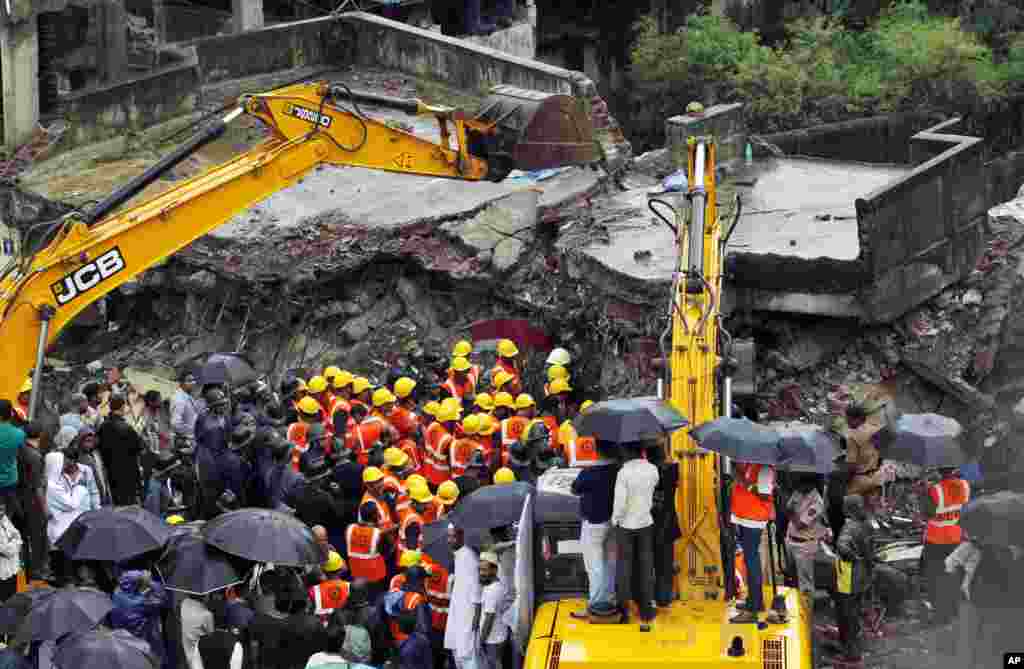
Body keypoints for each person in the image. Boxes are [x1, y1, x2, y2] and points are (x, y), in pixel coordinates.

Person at [611, 443, 658, 631]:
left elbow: (620, 502)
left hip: (626, 526)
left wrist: (616, 519)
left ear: (627, 452)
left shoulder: (624, 473)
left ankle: (624, 610)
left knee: (624, 567)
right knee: (646, 565)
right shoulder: (652, 470)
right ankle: (646, 609)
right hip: (646, 523)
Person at [570, 441, 618, 617]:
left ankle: (597, 604)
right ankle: (610, 600)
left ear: (597, 452)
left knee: (594, 564)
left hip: (594, 524)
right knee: (610, 562)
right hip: (613, 522)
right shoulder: (617, 470)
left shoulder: (590, 472)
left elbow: (574, 489)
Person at [920, 466, 970, 626]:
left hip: (936, 541)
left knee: (935, 579)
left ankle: (941, 615)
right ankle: (954, 610)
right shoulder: (965, 485)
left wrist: (924, 492)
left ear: (939, 472)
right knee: (954, 576)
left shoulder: (935, 490)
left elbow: (926, 514)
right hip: (957, 538)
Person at [728, 459, 776, 624]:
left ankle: (753, 609)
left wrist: (745, 482)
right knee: (750, 561)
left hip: (753, 519)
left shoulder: (764, 467)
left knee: (751, 560)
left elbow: (764, 493)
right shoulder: (752, 464)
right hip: (745, 517)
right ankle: (754, 601)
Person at [831, 494, 873, 665]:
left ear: (849, 509)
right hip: (863, 576)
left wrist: (850, 556)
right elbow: (870, 552)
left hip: (849, 578)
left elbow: (842, 545)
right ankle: (852, 643)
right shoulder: (867, 524)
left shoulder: (849, 527)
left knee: (846, 615)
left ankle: (851, 654)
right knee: (854, 613)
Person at [45, 446, 91, 586]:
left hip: (59, 529)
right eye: (62, 462)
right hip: (61, 531)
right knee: (65, 568)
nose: (65, 465)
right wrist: (80, 487)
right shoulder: (52, 486)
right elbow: (71, 503)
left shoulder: (51, 483)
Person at [785, 473, 831, 603]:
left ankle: (807, 610)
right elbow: (787, 509)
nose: (798, 487)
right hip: (790, 540)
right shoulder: (799, 492)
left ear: (810, 485)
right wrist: (791, 512)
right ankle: (795, 606)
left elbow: (800, 524)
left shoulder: (817, 502)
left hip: (805, 546)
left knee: (805, 584)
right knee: (792, 578)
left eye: (801, 484)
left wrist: (791, 513)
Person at [445, 524, 482, 669]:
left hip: (467, 621)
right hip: (458, 618)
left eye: (452, 536)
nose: (449, 540)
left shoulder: (469, 558)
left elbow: (477, 597)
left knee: (470, 660)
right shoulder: (459, 556)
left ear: (461, 536)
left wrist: (474, 628)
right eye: (448, 536)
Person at [98, 395, 145, 506]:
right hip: (128, 474)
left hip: (110, 474)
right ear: (123, 407)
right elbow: (139, 448)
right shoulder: (127, 428)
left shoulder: (103, 426)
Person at [18, 421, 49, 581]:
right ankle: (37, 571)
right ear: (41, 435)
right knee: (37, 538)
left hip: (21, 500)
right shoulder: (35, 456)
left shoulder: (21, 450)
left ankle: (29, 571)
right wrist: (45, 509)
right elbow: (38, 487)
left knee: (25, 537)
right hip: (34, 503)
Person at [478, 551, 509, 669]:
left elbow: (489, 619)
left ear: (494, 570)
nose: (481, 573)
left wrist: (480, 641)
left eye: (485, 570)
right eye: (480, 569)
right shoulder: (494, 586)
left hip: (493, 640)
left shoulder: (492, 590)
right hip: (497, 636)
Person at [0, 401, 24, 514]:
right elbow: (20, 453)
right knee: (6, 517)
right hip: (10, 481)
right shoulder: (19, 434)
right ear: (11, 414)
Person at [0, 500, 22, 601]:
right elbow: (6, 550)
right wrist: (14, 541)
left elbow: (18, 535)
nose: (2, 512)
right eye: (0, 510)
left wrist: (13, 541)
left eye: (3, 509)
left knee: (13, 600)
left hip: (13, 569)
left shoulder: (4, 519)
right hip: (2, 574)